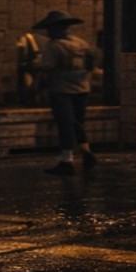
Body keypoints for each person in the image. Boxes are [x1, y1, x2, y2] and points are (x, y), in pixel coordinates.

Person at [33, 10, 98, 175]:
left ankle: (66, 161)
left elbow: (48, 66)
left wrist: (33, 66)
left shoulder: (54, 46)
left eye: (50, 28)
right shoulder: (82, 43)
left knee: (65, 124)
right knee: (77, 123)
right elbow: (91, 63)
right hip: (82, 88)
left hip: (61, 90)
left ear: (55, 28)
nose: (48, 32)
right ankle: (86, 153)